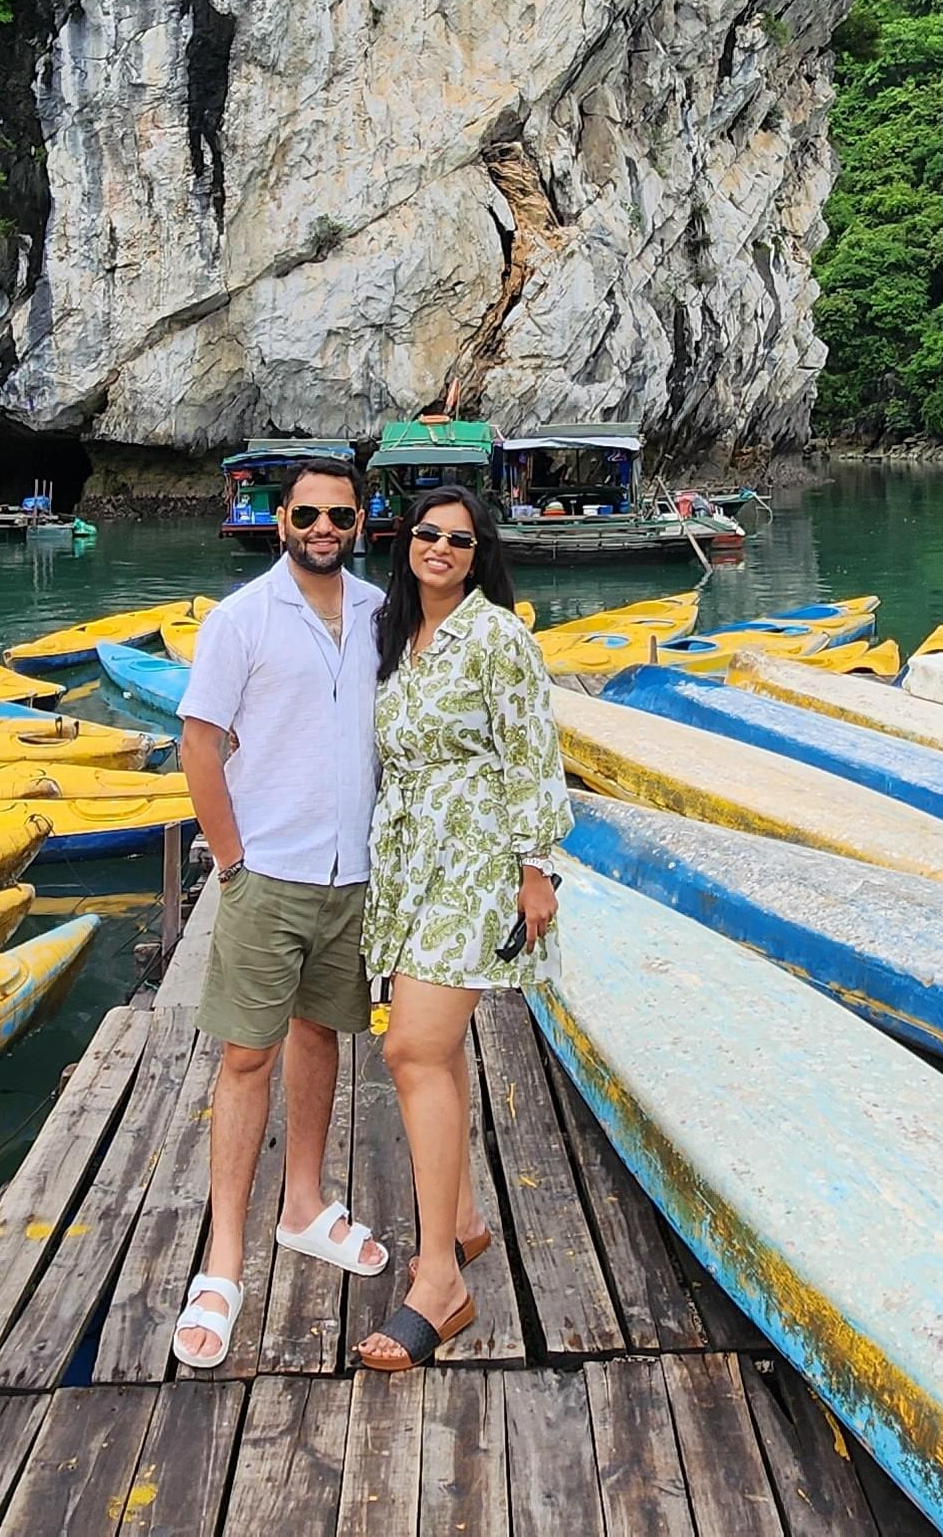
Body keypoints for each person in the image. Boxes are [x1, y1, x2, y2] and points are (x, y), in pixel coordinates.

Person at [169, 459, 393, 1368]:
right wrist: (231, 865)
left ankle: (302, 1204)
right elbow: (199, 744)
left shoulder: (383, 613)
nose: (325, 527)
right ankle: (223, 1259)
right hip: (269, 872)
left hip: (354, 875)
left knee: (321, 1037)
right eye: (308, 513)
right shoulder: (241, 620)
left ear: (359, 520)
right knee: (245, 1054)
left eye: (341, 513)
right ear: (279, 520)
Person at [353, 483, 566, 1371]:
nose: (439, 547)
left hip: (475, 864)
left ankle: (438, 1280)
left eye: (459, 539)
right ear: (407, 542)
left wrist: (536, 866)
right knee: (430, 1057)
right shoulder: (397, 639)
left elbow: (534, 751)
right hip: (408, 866)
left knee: (409, 1052)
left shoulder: (498, 637)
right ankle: (468, 1223)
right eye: (427, 533)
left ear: (480, 555)